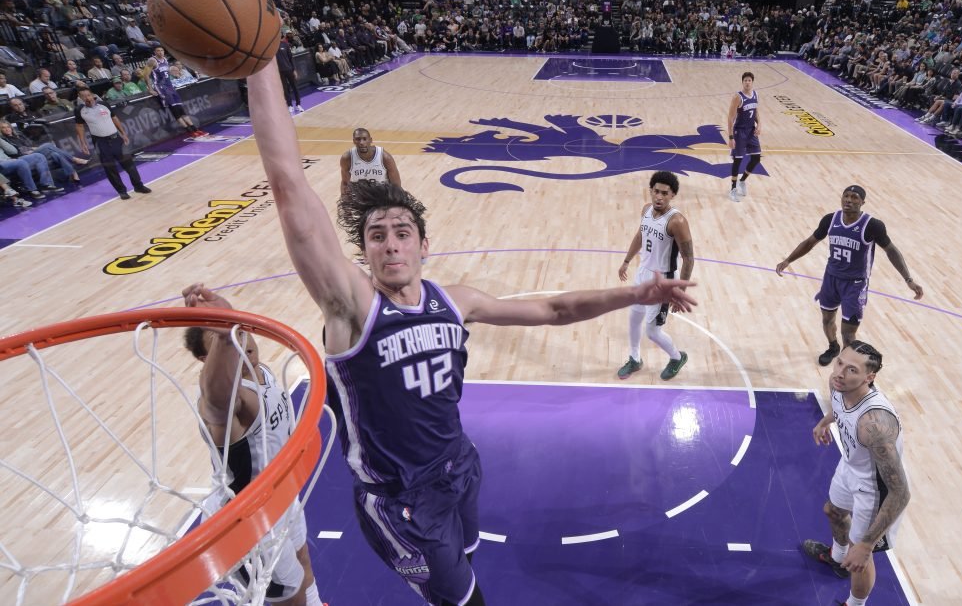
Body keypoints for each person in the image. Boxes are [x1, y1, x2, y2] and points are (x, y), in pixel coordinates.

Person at [246, 58, 697, 606]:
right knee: (464, 600)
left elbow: (555, 310)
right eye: (377, 235)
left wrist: (635, 293)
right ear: (362, 251)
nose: (390, 243)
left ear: (423, 245)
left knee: (465, 562)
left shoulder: (453, 302)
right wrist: (263, 59)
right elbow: (289, 186)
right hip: (400, 499)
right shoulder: (352, 307)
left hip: (460, 467)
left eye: (402, 232)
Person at [180, 283, 324, 606]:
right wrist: (224, 334)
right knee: (292, 596)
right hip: (247, 524)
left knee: (304, 561)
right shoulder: (228, 402)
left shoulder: (264, 372)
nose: (241, 345)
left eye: (240, 334)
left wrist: (230, 321)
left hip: (282, 498)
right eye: (226, 341)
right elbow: (217, 396)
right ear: (207, 357)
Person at [800, 341, 910, 606]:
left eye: (852, 370)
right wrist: (825, 421)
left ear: (869, 378)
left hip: (876, 488)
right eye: (840, 362)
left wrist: (867, 545)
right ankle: (837, 560)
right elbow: (839, 408)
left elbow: (900, 492)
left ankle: (855, 604)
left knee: (859, 557)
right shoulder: (838, 384)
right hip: (851, 466)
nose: (840, 372)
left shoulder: (874, 424)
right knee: (833, 511)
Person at [775, 185, 923, 366]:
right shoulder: (830, 219)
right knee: (827, 320)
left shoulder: (872, 225)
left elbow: (891, 250)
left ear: (862, 202)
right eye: (846, 196)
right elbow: (809, 243)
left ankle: (845, 368)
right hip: (831, 279)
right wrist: (788, 260)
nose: (849, 200)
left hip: (855, 284)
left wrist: (908, 279)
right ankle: (832, 347)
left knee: (849, 334)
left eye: (854, 197)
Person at [616, 171, 694, 380]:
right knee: (633, 319)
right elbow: (641, 236)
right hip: (643, 274)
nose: (659, 197)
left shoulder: (677, 221)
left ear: (673, 195)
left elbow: (688, 258)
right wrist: (626, 261)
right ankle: (634, 359)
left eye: (664, 193)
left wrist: (680, 291)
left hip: (662, 281)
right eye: (656, 192)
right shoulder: (646, 210)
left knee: (652, 332)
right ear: (651, 191)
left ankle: (677, 357)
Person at [74, 89, 149, 199]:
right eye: (84, 96)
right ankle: (121, 191)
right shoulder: (79, 110)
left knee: (129, 165)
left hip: (116, 139)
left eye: (88, 95)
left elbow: (114, 118)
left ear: (92, 95)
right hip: (100, 142)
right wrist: (83, 143)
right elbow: (79, 126)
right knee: (110, 169)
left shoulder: (104, 104)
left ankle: (138, 186)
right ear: (80, 98)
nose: (87, 98)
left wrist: (123, 133)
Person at [147, 46, 206, 137]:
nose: (160, 52)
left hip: (170, 86)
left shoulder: (165, 60)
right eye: (158, 51)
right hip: (161, 87)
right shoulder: (152, 60)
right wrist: (150, 89)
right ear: (154, 52)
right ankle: (189, 131)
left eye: (162, 50)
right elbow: (145, 75)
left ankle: (195, 129)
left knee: (180, 108)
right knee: (175, 110)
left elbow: (166, 74)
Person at [726, 71, 763, 202]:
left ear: (752, 82)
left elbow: (756, 111)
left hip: (751, 131)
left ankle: (742, 181)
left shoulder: (756, 94)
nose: (747, 82)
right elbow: (730, 118)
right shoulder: (738, 97)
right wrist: (730, 137)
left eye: (749, 80)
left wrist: (759, 125)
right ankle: (733, 189)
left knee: (756, 158)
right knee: (738, 160)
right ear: (742, 82)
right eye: (745, 80)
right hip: (739, 132)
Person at [340, 128, 401, 195]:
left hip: (382, 196)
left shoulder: (385, 158)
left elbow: (396, 185)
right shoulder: (347, 158)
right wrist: (345, 200)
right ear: (354, 141)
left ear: (370, 140)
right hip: (360, 197)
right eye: (358, 139)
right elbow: (345, 183)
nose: (361, 142)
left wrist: (396, 201)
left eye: (364, 139)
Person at [277, 36, 304, 113]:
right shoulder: (272, 47)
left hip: (289, 70)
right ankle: (290, 105)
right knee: (285, 89)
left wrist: (294, 69)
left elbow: (291, 58)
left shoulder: (285, 45)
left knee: (295, 87)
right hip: (280, 72)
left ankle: (298, 105)